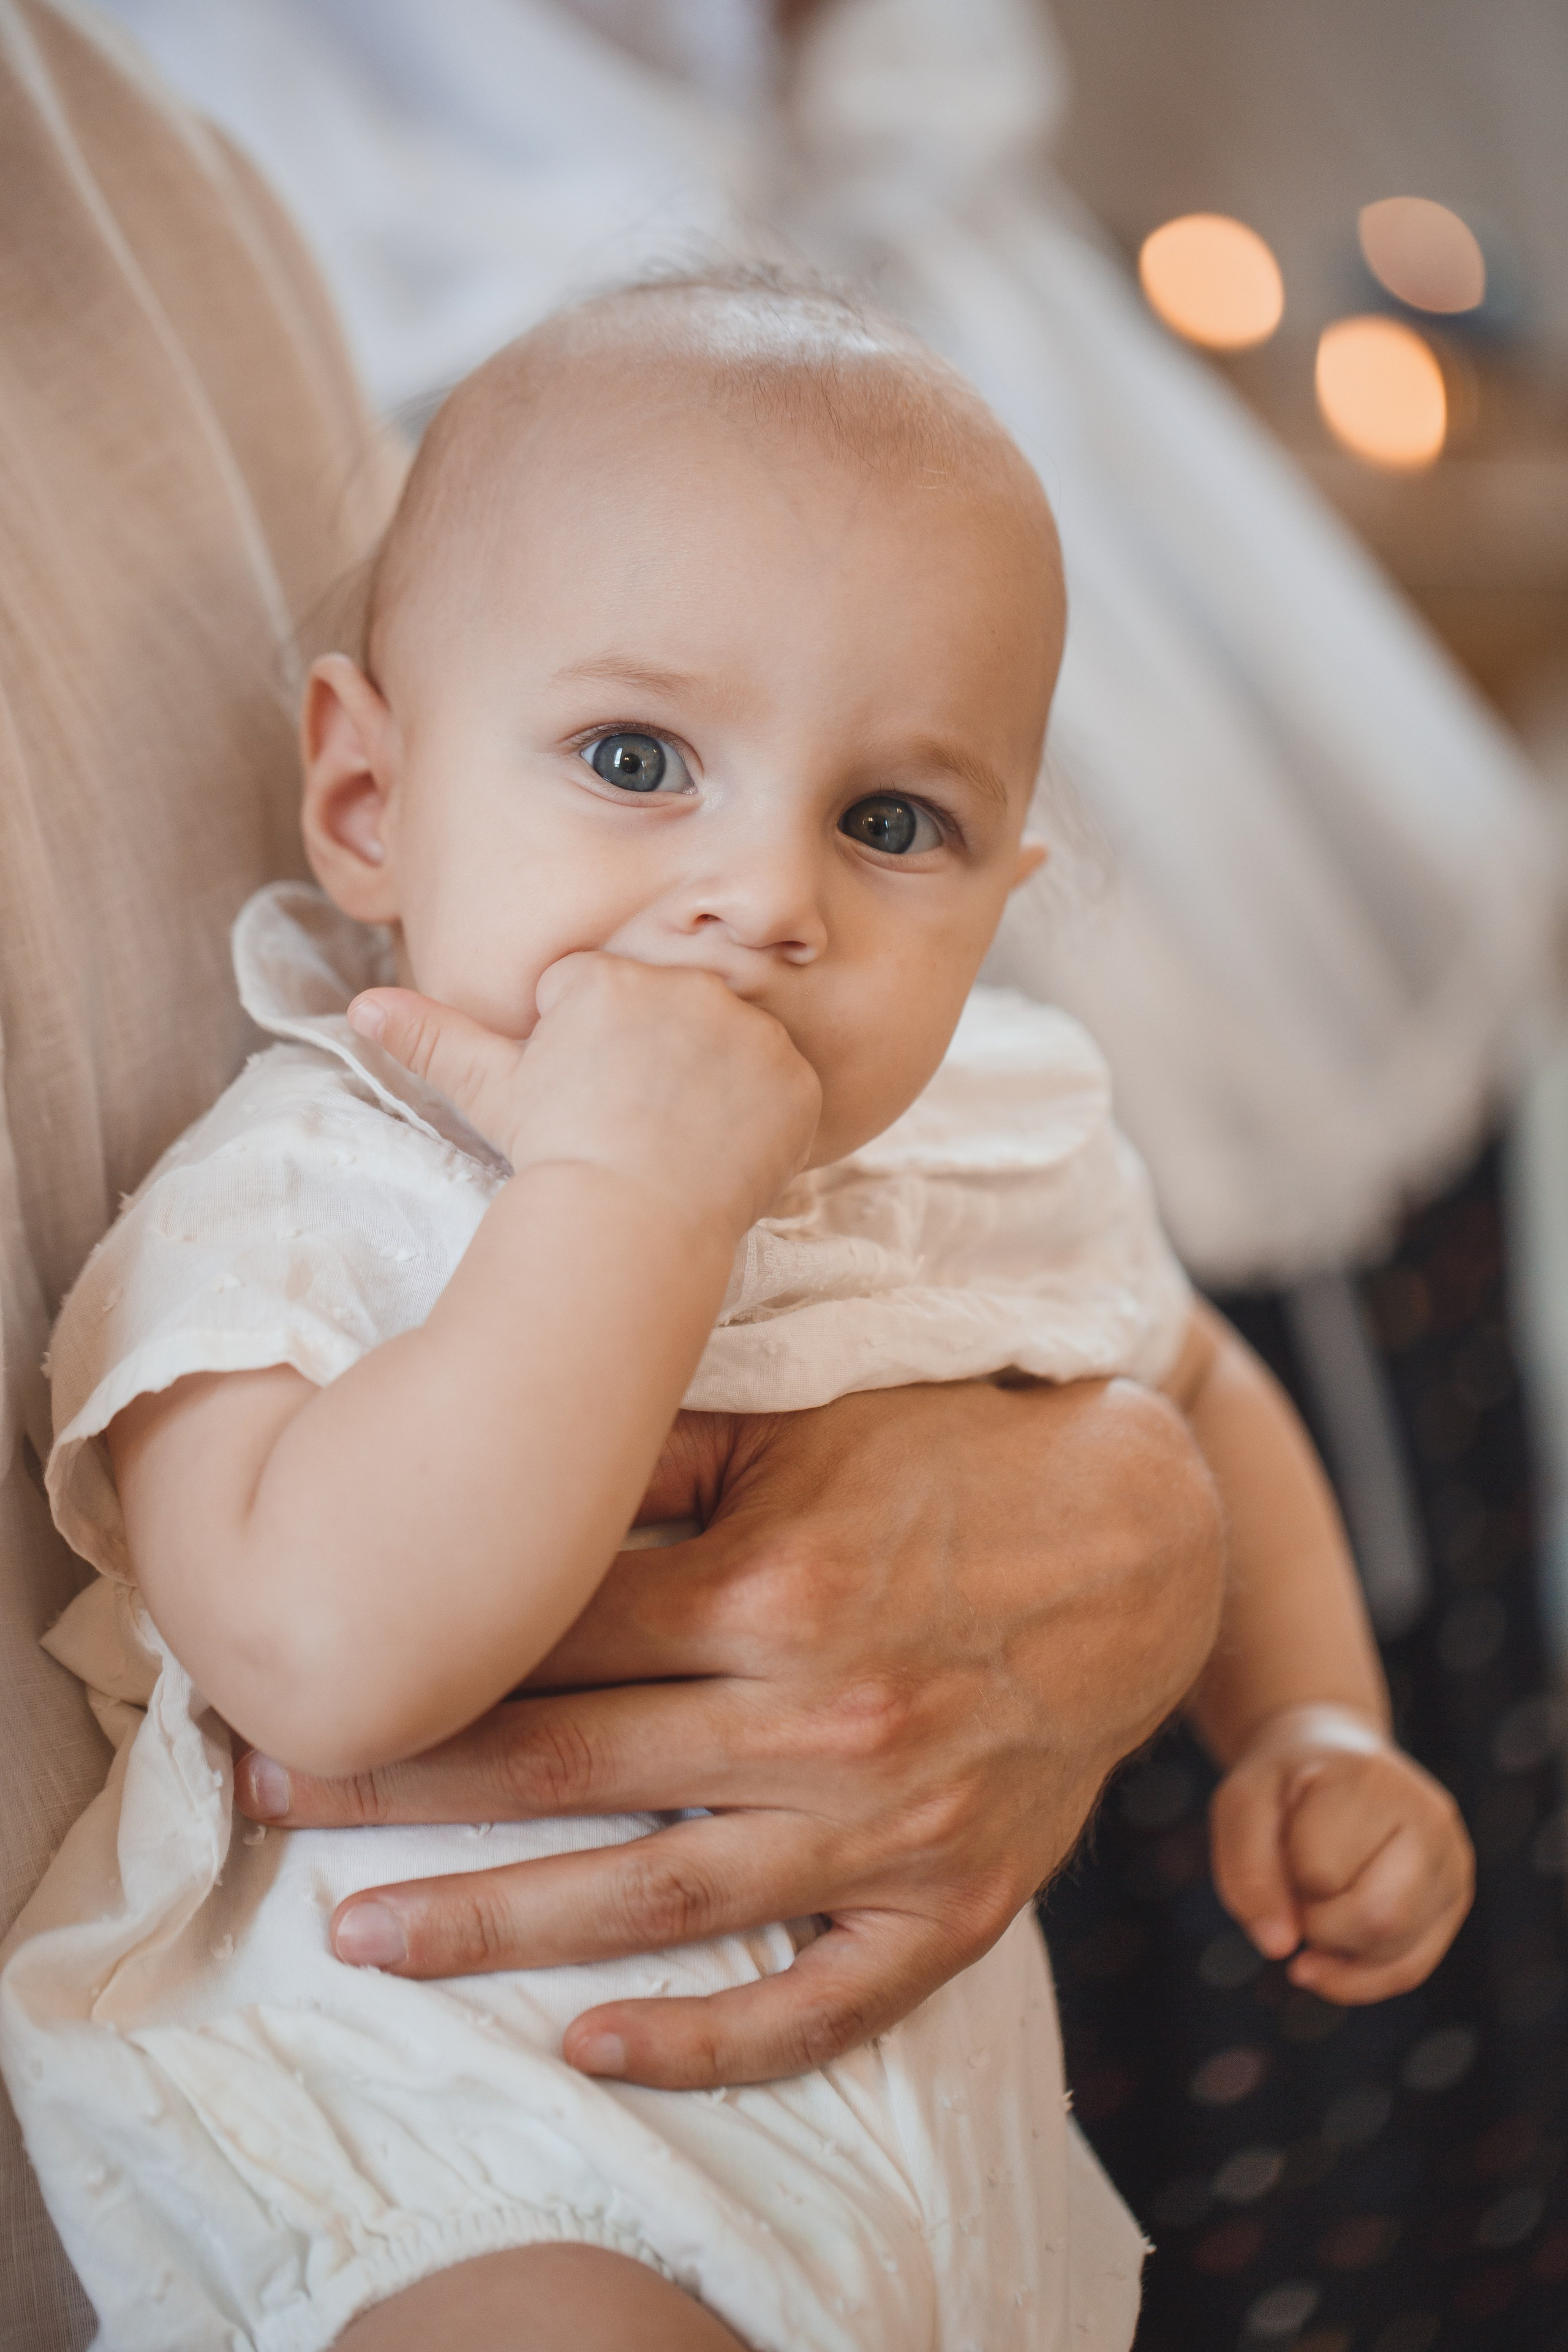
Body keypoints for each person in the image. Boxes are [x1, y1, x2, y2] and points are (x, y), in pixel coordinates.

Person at [1, 270, 1469, 2351]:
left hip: (921, 2197)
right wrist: (627, 1199)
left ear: (1003, 888)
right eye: (634, 756)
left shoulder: (995, 1132)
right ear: (369, 801)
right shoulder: (326, 1170)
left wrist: (1312, 1721)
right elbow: (314, 1659)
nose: (768, 895)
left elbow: (1200, 1381)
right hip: (457, 2143)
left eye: (894, 822)